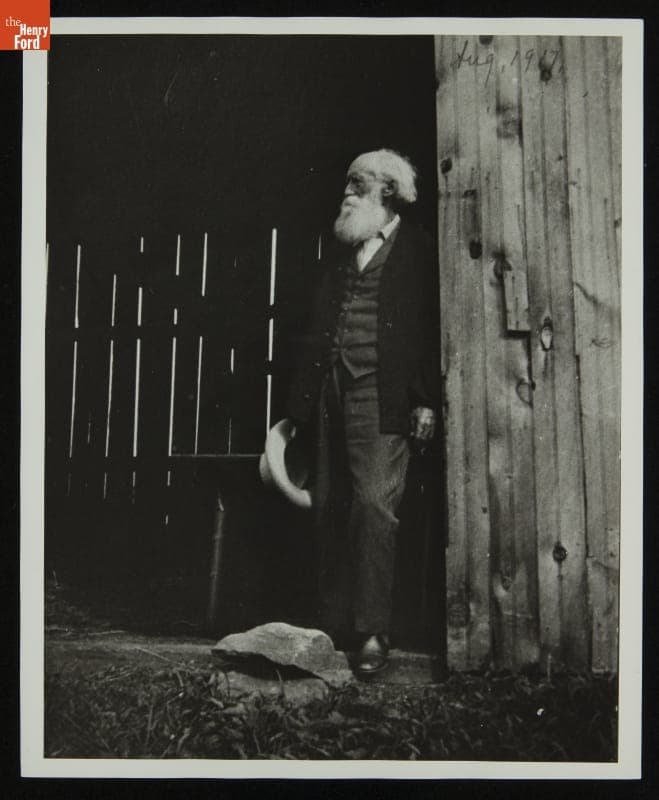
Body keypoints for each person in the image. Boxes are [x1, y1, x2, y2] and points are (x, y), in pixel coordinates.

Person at [287, 149, 440, 676]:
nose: (345, 193)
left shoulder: (419, 252)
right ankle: (332, 627)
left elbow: (428, 332)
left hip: (384, 395)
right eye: (347, 184)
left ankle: (373, 632)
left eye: (357, 184)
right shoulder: (340, 253)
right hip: (331, 391)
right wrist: (299, 407)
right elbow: (315, 332)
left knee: (374, 505)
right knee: (329, 502)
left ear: (388, 193)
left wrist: (425, 400)